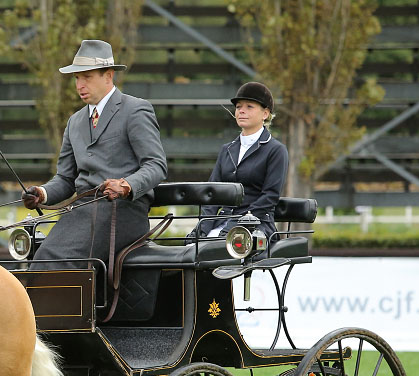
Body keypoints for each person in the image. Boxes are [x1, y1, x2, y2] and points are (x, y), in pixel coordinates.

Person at [21, 39, 167, 268]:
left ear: (108, 76)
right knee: (42, 258)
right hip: (81, 212)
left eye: (87, 77)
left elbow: (156, 165)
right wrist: (42, 193)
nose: (80, 85)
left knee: (61, 259)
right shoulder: (75, 122)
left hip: (123, 212)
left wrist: (126, 185)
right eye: (77, 78)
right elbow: (66, 179)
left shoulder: (135, 110)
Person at [190, 82, 289, 241]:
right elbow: (212, 193)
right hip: (222, 223)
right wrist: (203, 227)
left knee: (219, 249)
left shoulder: (276, 150)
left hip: (256, 225)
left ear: (265, 114)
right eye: (238, 107)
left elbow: (269, 197)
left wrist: (239, 223)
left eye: (249, 106)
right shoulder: (226, 149)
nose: (241, 111)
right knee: (192, 250)